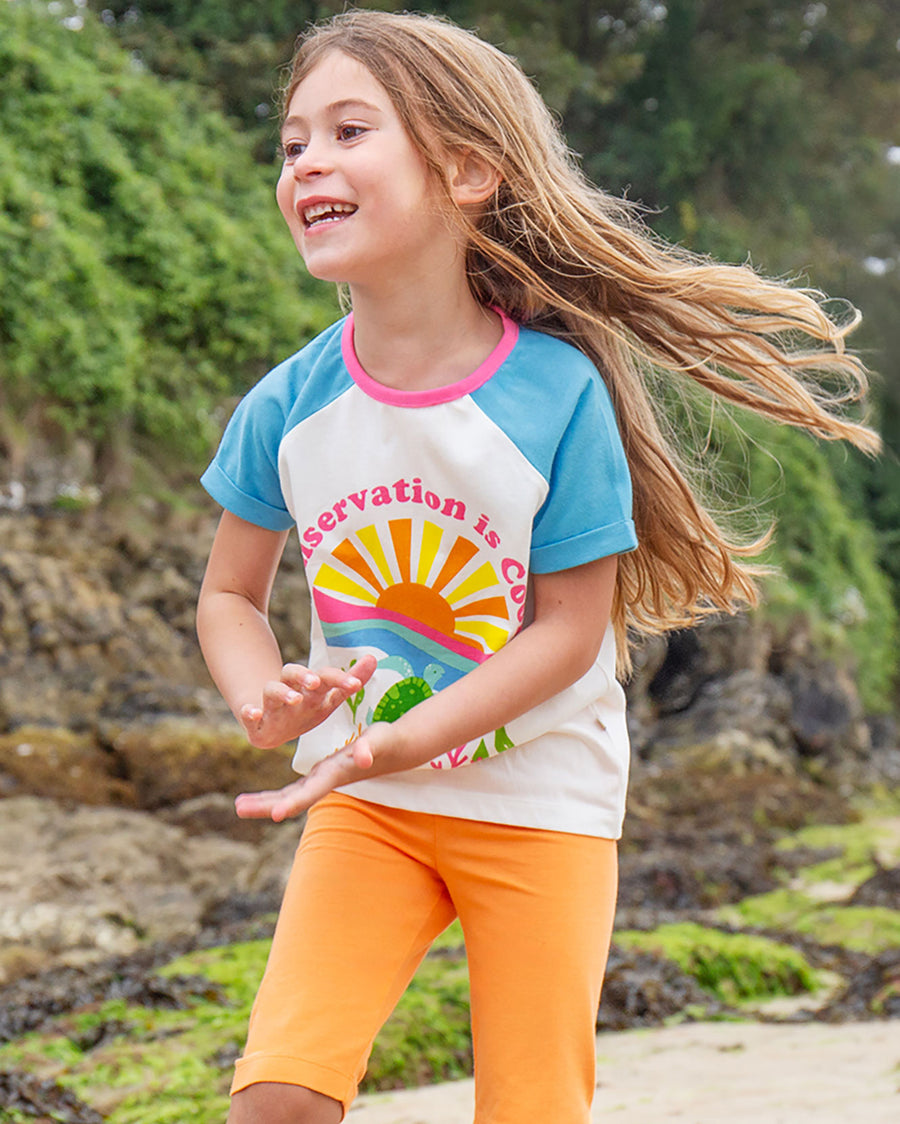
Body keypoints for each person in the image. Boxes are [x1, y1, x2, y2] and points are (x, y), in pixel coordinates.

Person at [196, 10, 879, 1124]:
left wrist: (405, 732)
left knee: (531, 1108)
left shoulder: (553, 393)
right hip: (367, 799)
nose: (307, 160)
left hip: (541, 799)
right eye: (292, 143)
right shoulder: (290, 401)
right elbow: (229, 593)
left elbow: (569, 633)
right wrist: (260, 695)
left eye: (349, 130)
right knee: (277, 1093)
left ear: (467, 168)